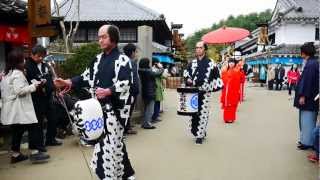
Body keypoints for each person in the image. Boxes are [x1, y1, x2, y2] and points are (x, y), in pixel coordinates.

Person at [54, 25, 135, 180]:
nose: (100, 40)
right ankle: (126, 174)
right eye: (99, 37)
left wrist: (109, 90)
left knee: (108, 147)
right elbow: (84, 77)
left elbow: (127, 83)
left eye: (103, 37)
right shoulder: (97, 60)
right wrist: (67, 81)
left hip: (113, 112)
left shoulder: (123, 60)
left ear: (113, 38)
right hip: (97, 111)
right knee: (112, 144)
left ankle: (108, 176)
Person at [0, 48, 50, 164]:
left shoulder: (6, 73)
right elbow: (19, 91)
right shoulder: (17, 73)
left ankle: (16, 154)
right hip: (19, 108)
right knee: (32, 126)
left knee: (17, 131)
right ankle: (34, 153)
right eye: (22, 58)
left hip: (11, 108)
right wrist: (35, 86)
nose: (24, 60)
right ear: (18, 61)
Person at [183, 41, 222, 144]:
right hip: (194, 91)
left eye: (200, 47)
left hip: (205, 92)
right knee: (194, 114)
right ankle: (198, 131)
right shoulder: (192, 63)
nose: (198, 49)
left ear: (204, 49)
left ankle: (200, 135)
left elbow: (217, 76)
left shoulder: (211, 63)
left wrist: (209, 85)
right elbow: (186, 74)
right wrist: (188, 80)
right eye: (196, 47)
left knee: (203, 113)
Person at [25, 45, 62, 152]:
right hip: (36, 98)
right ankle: (39, 145)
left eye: (42, 56)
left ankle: (50, 139)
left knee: (53, 118)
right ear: (32, 55)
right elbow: (30, 81)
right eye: (38, 56)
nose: (41, 58)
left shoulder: (45, 65)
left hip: (48, 96)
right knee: (38, 123)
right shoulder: (28, 65)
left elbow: (50, 77)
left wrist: (55, 88)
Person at [294, 42, 319, 150]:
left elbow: (307, 82)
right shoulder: (313, 63)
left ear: (304, 53)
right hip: (312, 97)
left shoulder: (310, 65)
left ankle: (307, 142)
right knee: (307, 120)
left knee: (307, 120)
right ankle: (306, 140)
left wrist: (303, 95)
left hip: (308, 99)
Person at [139, 58, 163, 129]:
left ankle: (145, 123)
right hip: (150, 92)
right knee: (150, 110)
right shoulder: (147, 71)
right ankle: (147, 124)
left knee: (147, 109)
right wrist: (161, 68)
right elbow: (157, 73)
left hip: (146, 92)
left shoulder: (142, 70)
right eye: (148, 63)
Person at [123, 43, 139, 135]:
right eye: (136, 52)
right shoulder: (131, 62)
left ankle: (127, 126)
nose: (136, 54)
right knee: (128, 110)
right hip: (131, 91)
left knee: (126, 109)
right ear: (132, 52)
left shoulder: (123, 61)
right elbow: (133, 79)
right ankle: (127, 128)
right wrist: (135, 90)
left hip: (125, 90)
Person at [220, 59, 241, 123]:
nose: (231, 64)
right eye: (230, 62)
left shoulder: (237, 71)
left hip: (233, 90)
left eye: (232, 62)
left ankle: (231, 118)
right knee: (227, 106)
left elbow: (239, 81)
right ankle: (226, 118)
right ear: (228, 63)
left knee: (232, 105)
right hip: (226, 90)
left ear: (234, 64)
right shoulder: (225, 71)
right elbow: (223, 80)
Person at [151, 58, 164, 123]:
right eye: (158, 62)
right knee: (156, 103)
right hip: (155, 88)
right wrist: (161, 68)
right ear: (155, 63)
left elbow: (163, 76)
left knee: (158, 102)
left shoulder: (156, 69)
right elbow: (158, 74)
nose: (159, 64)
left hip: (158, 87)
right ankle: (154, 117)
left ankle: (156, 116)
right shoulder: (153, 69)